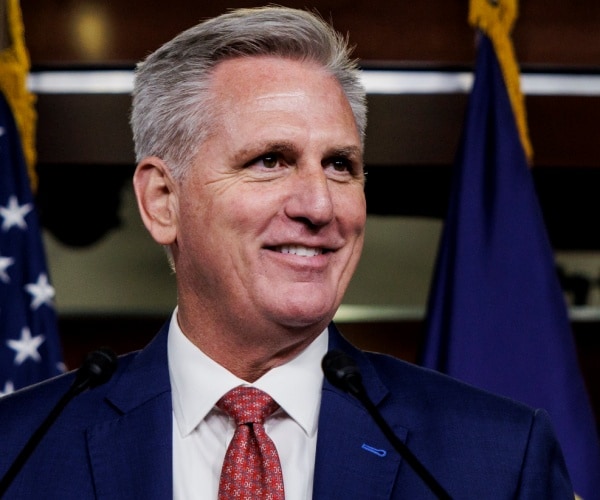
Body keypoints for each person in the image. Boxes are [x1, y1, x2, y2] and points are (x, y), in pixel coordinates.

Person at [0, 6, 573, 499]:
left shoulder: (499, 459)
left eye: (340, 165)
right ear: (163, 201)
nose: (320, 206)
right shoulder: (18, 450)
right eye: (270, 160)